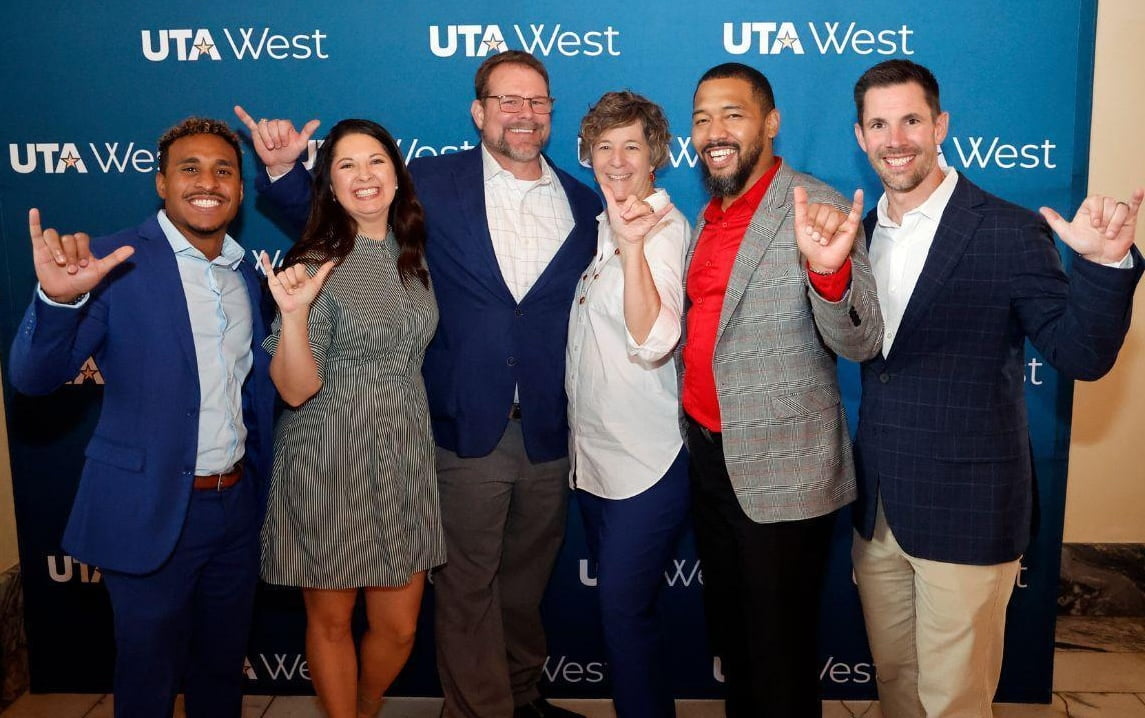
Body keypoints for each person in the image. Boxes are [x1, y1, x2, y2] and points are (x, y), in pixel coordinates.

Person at [237, 49, 599, 718]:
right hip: (459, 429)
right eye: (508, 100)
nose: (523, 113)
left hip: (547, 431)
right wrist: (286, 170)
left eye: (537, 101)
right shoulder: (427, 182)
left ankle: (521, 698)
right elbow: (339, 212)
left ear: (551, 111)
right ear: (479, 112)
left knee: (524, 587)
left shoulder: (585, 202)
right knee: (465, 591)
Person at [848, 58, 1143, 718]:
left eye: (911, 121)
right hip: (879, 509)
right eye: (879, 125)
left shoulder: (1008, 228)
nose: (896, 139)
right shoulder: (858, 236)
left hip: (969, 508)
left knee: (953, 702)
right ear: (861, 136)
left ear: (940, 126)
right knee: (895, 683)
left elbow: (1079, 354)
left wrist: (1103, 266)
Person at [8, 118, 276, 718]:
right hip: (149, 508)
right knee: (147, 680)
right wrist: (57, 301)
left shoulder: (245, 272)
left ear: (239, 189)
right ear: (161, 182)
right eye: (189, 169)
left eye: (223, 171)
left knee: (220, 673)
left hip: (235, 507)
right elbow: (33, 378)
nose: (207, 182)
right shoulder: (112, 260)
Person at [679, 62, 883, 717]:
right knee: (736, 640)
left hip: (785, 467)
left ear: (770, 123)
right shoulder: (709, 215)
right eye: (702, 118)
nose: (714, 131)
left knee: (779, 654)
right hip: (709, 456)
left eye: (732, 114)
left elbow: (860, 339)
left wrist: (828, 275)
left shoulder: (815, 207)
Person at [257, 119, 445, 718]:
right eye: (346, 165)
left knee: (399, 628)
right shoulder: (316, 261)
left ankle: (364, 706)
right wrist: (293, 317)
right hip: (329, 454)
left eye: (376, 161)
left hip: (404, 453)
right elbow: (294, 389)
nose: (364, 176)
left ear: (397, 175)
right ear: (330, 186)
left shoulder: (412, 253)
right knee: (332, 620)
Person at [566, 90, 689, 717]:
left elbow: (655, 337)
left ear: (656, 155)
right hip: (595, 463)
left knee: (623, 613)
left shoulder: (662, 230)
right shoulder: (603, 224)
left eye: (631, 147)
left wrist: (634, 248)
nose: (617, 161)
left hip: (647, 463)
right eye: (604, 146)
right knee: (626, 617)